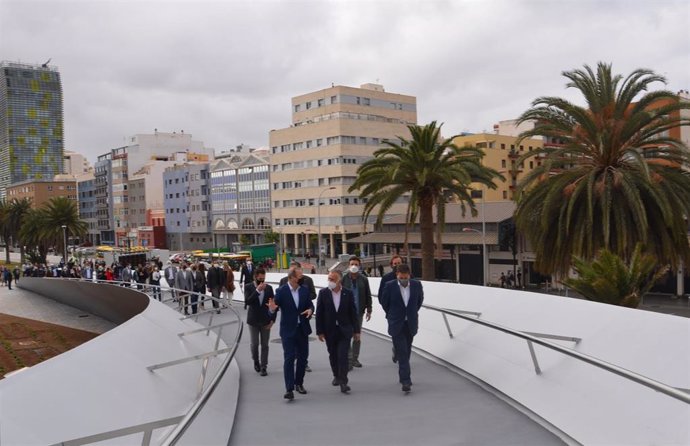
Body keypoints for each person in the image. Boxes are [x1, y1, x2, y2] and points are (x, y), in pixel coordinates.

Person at [267, 266, 314, 401]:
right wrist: (271, 310)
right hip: (288, 330)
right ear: (292, 277)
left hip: (302, 329)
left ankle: (299, 383)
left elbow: (310, 305)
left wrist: (310, 310)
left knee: (303, 358)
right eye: (300, 277)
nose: (302, 279)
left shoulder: (304, 290)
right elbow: (273, 308)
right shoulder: (281, 291)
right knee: (289, 358)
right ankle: (289, 389)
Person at [380, 263, 424, 393]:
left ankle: (403, 372)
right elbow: (384, 302)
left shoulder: (416, 285)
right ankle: (406, 381)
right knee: (403, 352)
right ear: (397, 275)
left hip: (410, 323)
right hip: (396, 323)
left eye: (406, 277)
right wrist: (392, 315)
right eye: (401, 277)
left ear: (409, 275)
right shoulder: (390, 286)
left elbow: (419, 301)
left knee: (407, 349)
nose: (404, 279)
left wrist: (411, 313)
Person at [316, 270, 360, 393]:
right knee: (333, 355)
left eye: (333, 279)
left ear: (339, 280)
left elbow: (353, 313)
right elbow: (319, 313)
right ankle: (336, 375)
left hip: (344, 330)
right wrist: (319, 331)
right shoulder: (323, 293)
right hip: (329, 330)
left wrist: (356, 331)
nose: (330, 281)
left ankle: (343, 382)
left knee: (343, 356)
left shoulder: (348, 293)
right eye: (329, 279)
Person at [279, 261, 316, 372]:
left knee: (303, 344)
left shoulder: (308, 280)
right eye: (292, 271)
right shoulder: (283, 282)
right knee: (291, 347)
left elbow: (313, 294)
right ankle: (293, 361)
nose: (294, 275)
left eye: (296, 271)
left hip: (303, 315)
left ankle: (304, 363)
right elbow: (279, 299)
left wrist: (303, 298)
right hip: (289, 319)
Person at [341, 256, 372, 370]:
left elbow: (368, 294)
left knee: (357, 336)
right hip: (346, 312)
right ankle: (349, 360)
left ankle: (355, 358)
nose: (354, 266)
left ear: (359, 266)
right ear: (349, 266)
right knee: (347, 335)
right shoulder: (344, 279)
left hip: (359, 312)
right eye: (352, 264)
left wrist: (369, 309)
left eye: (356, 264)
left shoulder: (364, 279)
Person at [245, 267, 276, 376]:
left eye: (264, 278)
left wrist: (272, 319)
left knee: (265, 344)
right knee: (254, 344)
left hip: (266, 320)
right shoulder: (248, 287)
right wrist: (257, 290)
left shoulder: (269, 288)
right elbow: (248, 301)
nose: (262, 281)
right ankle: (255, 360)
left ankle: (264, 366)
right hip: (253, 320)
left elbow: (273, 305)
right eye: (260, 279)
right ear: (255, 277)